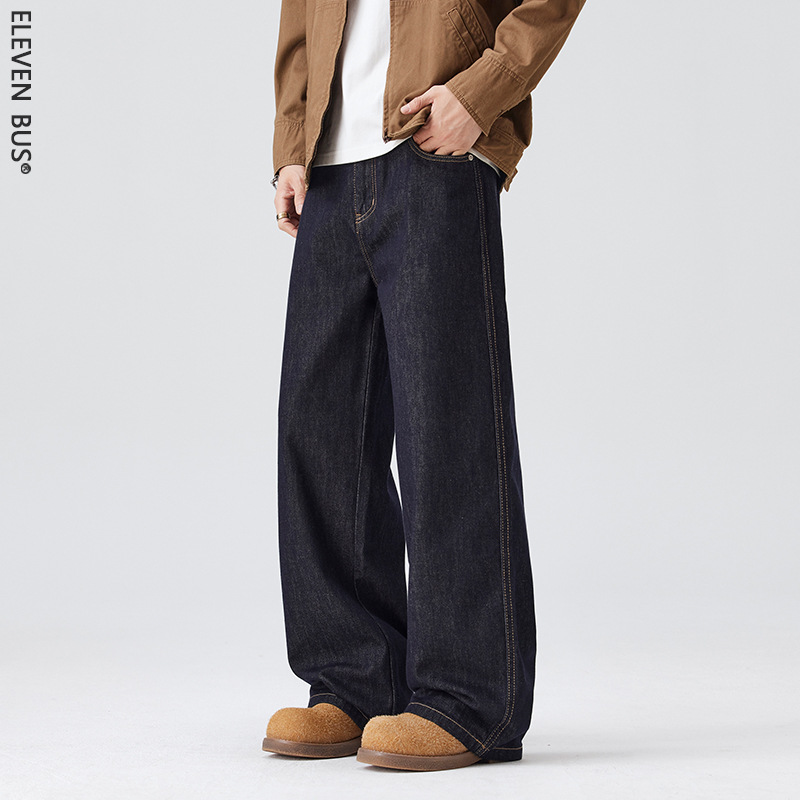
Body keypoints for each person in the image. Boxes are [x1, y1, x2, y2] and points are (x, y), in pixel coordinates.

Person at [262, 0, 586, 772]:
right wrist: (293, 141)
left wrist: (479, 92)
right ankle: (353, 679)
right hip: (331, 162)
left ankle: (469, 697)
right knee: (319, 427)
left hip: (432, 145)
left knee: (447, 424)